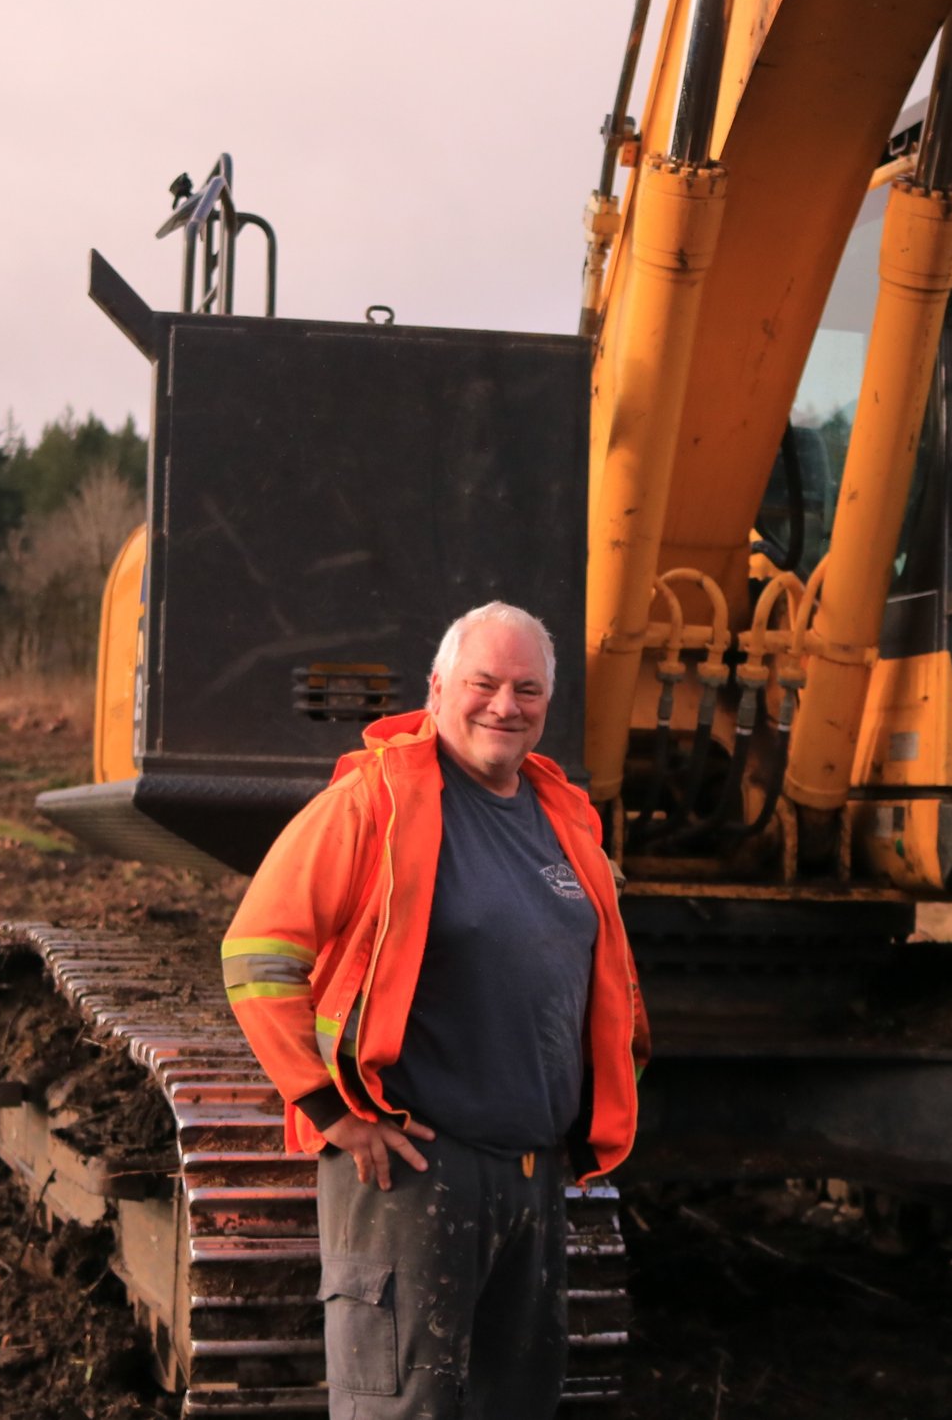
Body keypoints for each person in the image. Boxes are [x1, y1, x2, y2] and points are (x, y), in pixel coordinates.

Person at [221, 600, 648, 1419]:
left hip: (531, 1176)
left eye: (527, 688)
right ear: (439, 685)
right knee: (401, 1409)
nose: (505, 704)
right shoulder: (374, 803)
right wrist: (327, 1108)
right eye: (483, 682)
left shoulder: (564, 820)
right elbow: (256, 951)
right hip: (412, 1172)